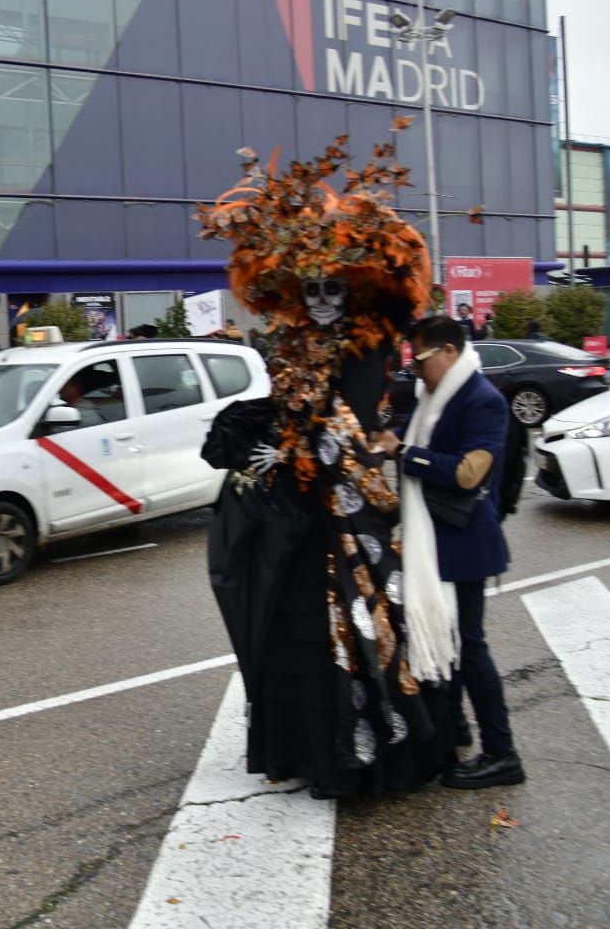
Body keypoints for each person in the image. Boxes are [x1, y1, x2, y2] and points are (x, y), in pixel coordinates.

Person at [199, 136, 452, 801]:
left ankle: (368, 759)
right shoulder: (292, 348)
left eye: (332, 288)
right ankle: (305, 752)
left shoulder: (366, 353)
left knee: (361, 632)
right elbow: (293, 416)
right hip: (307, 519)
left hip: (354, 522)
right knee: (296, 633)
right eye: (310, 290)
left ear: (353, 289)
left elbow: (348, 434)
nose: (321, 301)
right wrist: (265, 440)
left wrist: (290, 447)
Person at [376, 314, 523, 790]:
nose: (415, 369)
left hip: (465, 543)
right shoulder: (433, 398)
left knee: (471, 648)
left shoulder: (483, 401)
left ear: (449, 353)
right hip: (439, 540)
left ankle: (502, 753)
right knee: (453, 644)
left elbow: (467, 473)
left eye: (420, 359)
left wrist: (406, 455)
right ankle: (454, 728)